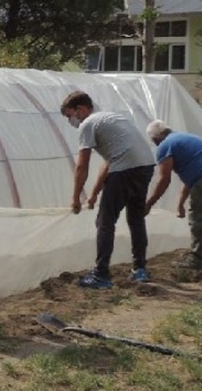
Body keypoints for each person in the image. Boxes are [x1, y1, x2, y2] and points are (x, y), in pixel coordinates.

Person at [60, 91, 155, 288]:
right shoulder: (111, 118)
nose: (71, 120)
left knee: (105, 221)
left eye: (70, 115)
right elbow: (109, 162)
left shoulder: (88, 124)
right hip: (145, 167)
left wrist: (75, 198)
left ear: (81, 108)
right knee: (136, 218)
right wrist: (94, 194)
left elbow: (82, 165)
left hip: (125, 169)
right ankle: (140, 270)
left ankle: (101, 274)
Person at [144, 120, 202, 269]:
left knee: (198, 219)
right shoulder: (185, 138)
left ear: (155, 139)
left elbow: (164, 179)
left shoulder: (165, 146)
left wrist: (149, 204)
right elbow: (191, 177)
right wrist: (180, 204)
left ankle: (198, 260)